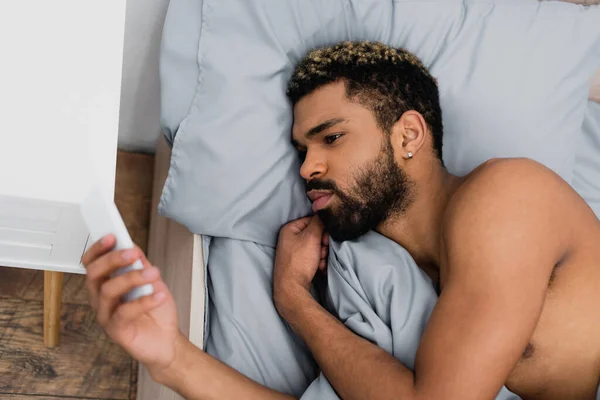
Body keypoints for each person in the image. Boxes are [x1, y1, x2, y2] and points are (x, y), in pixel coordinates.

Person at [82, 41, 600, 400]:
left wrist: (296, 306)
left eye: (331, 138)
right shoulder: (368, 275)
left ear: (409, 135)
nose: (307, 167)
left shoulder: (505, 195)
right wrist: (169, 357)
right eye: (302, 149)